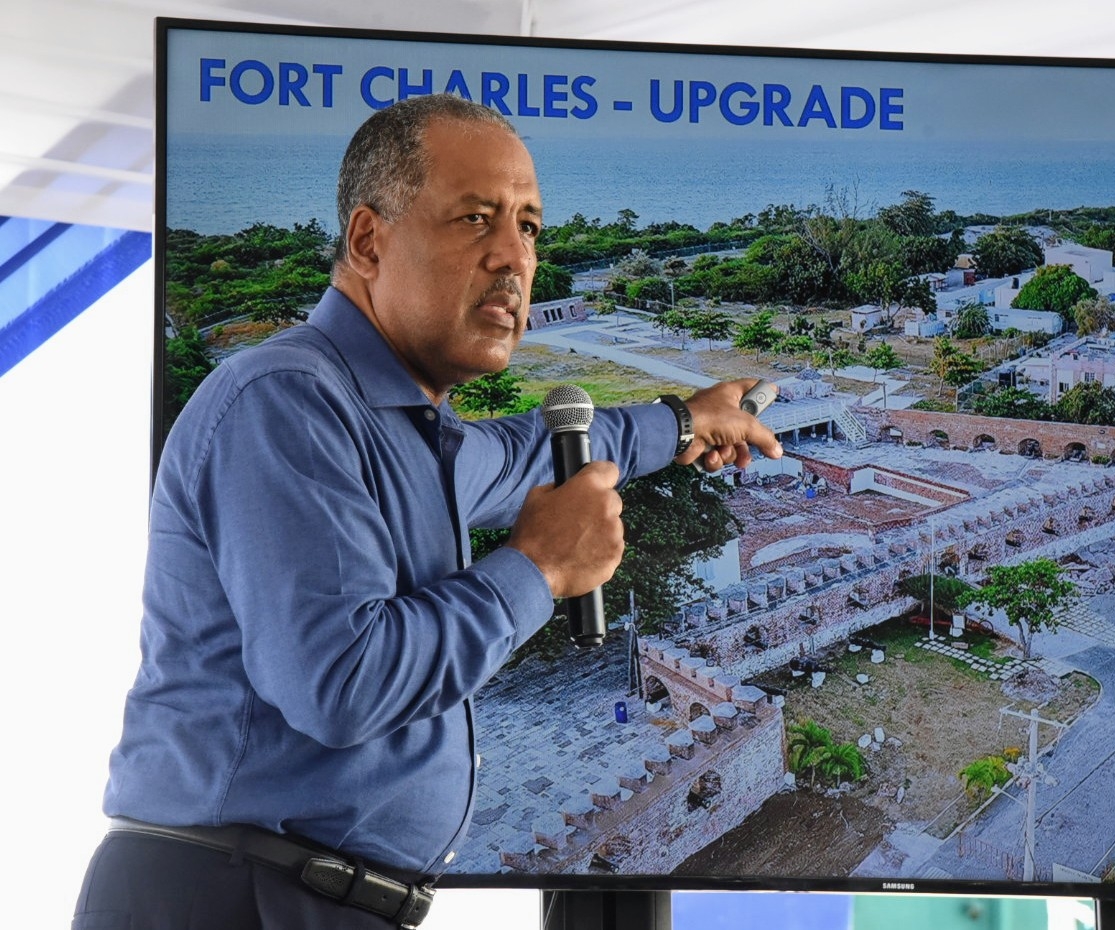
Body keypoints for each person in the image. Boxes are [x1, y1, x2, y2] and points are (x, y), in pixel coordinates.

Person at [72, 94, 781, 930]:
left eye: (529, 227)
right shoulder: (286, 402)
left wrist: (685, 420)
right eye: (476, 219)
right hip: (237, 896)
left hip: (316, 896)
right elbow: (341, 682)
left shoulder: (407, 430)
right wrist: (539, 569)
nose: (513, 258)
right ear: (369, 241)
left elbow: (530, 453)